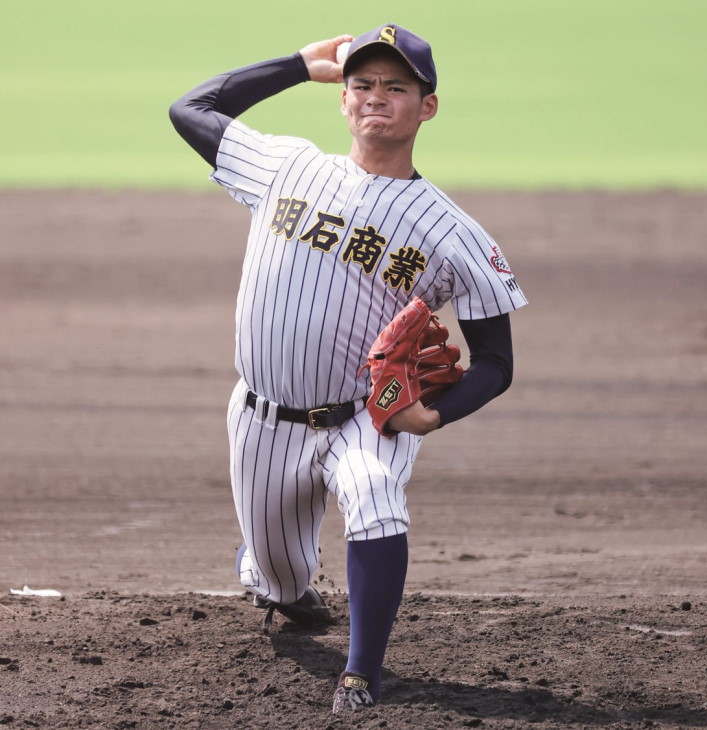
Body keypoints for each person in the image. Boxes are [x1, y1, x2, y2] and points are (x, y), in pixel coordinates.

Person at [169, 23, 527, 713]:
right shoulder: (286, 166)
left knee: (375, 500)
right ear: (343, 99)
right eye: (362, 84)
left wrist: (433, 414)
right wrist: (299, 65)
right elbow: (192, 111)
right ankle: (280, 584)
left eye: (397, 88)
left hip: (367, 416)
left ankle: (361, 674)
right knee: (277, 580)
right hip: (263, 417)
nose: (376, 98)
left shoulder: (454, 234)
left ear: (427, 108)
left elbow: (497, 362)